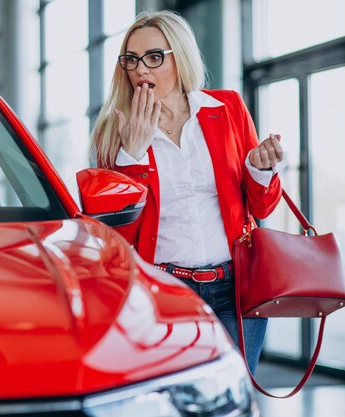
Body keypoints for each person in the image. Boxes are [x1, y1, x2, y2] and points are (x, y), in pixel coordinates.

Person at [91, 10, 284, 374]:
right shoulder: (115, 132)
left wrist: (261, 169)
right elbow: (118, 234)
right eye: (131, 60)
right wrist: (131, 155)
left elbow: (262, 205)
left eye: (154, 57)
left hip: (235, 287)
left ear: (180, 58)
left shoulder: (226, 110)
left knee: (232, 397)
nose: (141, 70)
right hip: (163, 292)